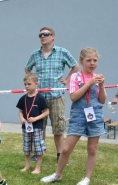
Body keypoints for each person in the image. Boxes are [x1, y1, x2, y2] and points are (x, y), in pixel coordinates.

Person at [41, 47, 106, 185]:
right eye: (88, 60)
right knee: (66, 149)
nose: (92, 63)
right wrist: (89, 83)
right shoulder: (76, 77)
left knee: (92, 149)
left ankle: (87, 178)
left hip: (95, 116)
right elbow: (74, 96)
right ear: (82, 61)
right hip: (78, 116)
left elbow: (102, 100)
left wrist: (101, 85)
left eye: (95, 60)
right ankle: (57, 175)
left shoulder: (98, 78)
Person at [25, 27, 80, 162]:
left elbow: (76, 66)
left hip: (56, 96)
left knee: (58, 126)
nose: (43, 36)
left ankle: (59, 155)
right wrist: (33, 81)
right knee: (38, 127)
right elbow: (27, 68)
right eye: (40, 35)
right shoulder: (35, 55)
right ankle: (39, 152)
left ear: (53, 36)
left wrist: (67, 80)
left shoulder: (62, 52)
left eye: (46, 34)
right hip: (39, 98)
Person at [16, 73, 49, 174]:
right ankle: (27, 166)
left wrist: (35, 119)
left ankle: (38, 168)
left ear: (36, 84)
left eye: (29, 84)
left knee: (38, 147)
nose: (26, 86)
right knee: (27, 147)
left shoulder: (40, 98)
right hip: (26, 127)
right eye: (25, 84)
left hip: (37, 127)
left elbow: (47, 112)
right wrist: (22, 118)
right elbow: (20, 111)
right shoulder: (23, 98)